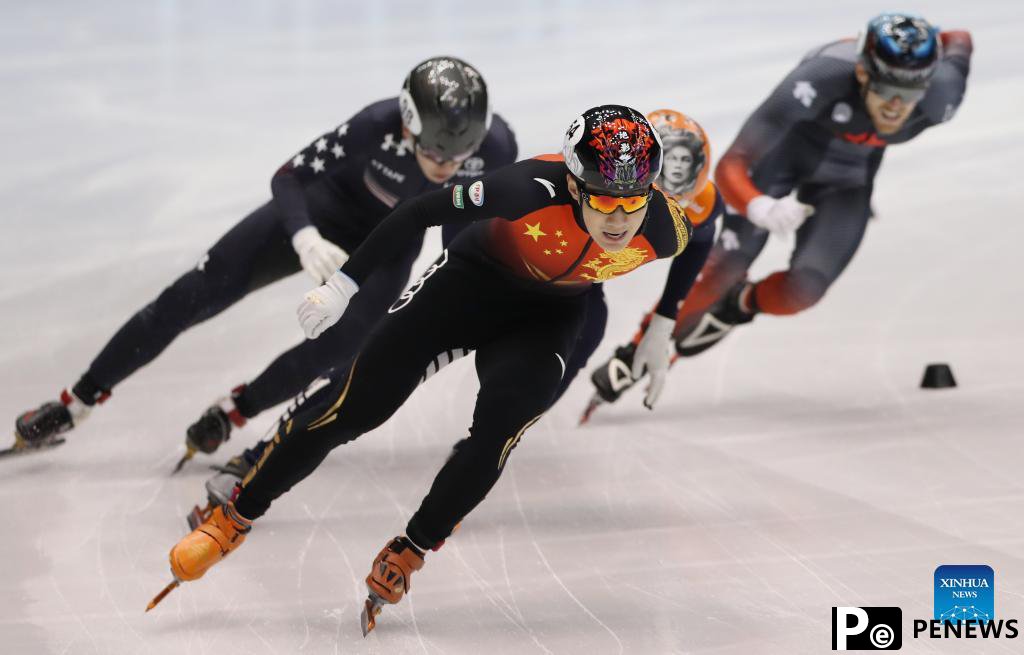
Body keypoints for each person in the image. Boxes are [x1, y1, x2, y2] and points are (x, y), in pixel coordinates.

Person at [148, 105, 696, 634]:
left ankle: (410, 551)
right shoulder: (529, 187)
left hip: (548, 318)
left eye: (633, 203)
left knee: (500, 431)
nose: (620, 220)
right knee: (355, 408)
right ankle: (233, 519)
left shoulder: (666, 226)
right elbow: (419, 211)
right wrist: (344, 285)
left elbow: (704, 228)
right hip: (468, 284)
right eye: (605, 203)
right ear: (575, 186)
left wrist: (664, 323)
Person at [12, 57, 518, 460]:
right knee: (193, 294)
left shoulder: (495, 150)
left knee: (342, 344)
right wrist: (304, 237)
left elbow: (461, 231)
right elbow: (288, 177)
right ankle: (75, 403)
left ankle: (234, 412)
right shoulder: (375, 124)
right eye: (435, 155)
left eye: (457, 159)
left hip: (387, 242)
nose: (446, 168)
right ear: (408, 129)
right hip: (324, 209)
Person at [587, 13, 972, 410]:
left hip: (849, 178)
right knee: (723, 267)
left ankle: (741, 303)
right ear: (862, 73)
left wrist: (916, 37)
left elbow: (960, 37)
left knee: (803, 292)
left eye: (910, 92)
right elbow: (732, 163)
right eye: (887, 87)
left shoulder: (944, 93)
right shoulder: (818, 79)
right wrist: (759, 204)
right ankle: (634, 353)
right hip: (780, 160)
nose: (896, 106)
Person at [582, 109, 722, 418]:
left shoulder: (704, 202)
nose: (676, 171)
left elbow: (697, 246)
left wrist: (663, 321)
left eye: (685, 163)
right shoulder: (593, 183)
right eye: (671, 161)